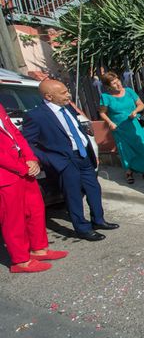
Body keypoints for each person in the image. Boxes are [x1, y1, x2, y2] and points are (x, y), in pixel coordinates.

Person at [22, 80, 119, 242]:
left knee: (93, 189)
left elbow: (77, 132)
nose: (68, 94)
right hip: (64, 161)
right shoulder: (36, 115)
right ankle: (82, 228)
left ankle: (98, 220)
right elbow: (28, 143)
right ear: (49, 96)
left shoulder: (67, 109)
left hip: (83, 156)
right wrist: (50, 159)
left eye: (67, 91)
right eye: (63, 93)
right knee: (73, 195)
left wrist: (88, 150)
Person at [0, 103, 68, 273]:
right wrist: (22, 167)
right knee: (13, 218)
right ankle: (20, 260)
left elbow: (16, 133)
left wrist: (31, 158)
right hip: (6, 174)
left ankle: (39, 249)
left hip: (22, 166)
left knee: (36, 209)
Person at [98, 71, 144, 184]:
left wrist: (135, 111)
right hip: (119, 128)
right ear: (108, 86)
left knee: (141, 146)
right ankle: (128, 171)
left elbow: (141, 104)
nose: (118, 84)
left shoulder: (129, 91)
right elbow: (102, 113)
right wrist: (110, 122)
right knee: (125, 150)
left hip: (135, 125)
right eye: (114, 83)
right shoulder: (106, 97)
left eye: (118, 80)